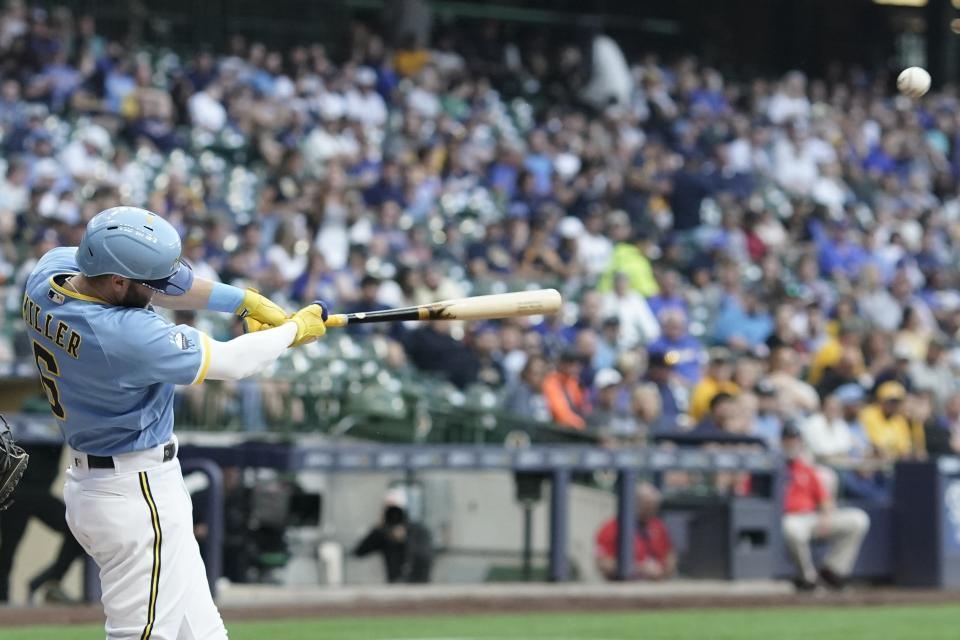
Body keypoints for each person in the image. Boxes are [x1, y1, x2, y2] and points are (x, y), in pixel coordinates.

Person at [21, 207, 329, 639]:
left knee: (201, 633)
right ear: (116, 282)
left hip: (109, 482)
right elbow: (234, 361)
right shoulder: (122, 335)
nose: (158, 292)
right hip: (134, 491)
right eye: (147, 285)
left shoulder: (49, 271)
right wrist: (291, 331)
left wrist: (242, 300)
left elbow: (160, 284)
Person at [781, 423, 870, 591]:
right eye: (788, 440)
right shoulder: (776, 466)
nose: (792, 444)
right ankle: (808, 578)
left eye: (795, 440)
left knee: (858, 519)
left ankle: (833, 572)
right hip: (790, 519)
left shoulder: (807, 469)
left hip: (813, 517)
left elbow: (824, 500)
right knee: (791, 528)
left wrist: (826, 516)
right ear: (782, 442)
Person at [594, 483, 676, 581]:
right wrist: (639, 569)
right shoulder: (611, 527)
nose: (651, 511)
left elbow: (670, 555)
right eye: (647, 506)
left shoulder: (658, 525)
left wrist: (663, 572)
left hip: (657, 586)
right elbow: (603, 564)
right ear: (635, 503)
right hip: (624, 588)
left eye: (654, 506)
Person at [353, 504, 433, 583]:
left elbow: (425, 557)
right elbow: (359, 551)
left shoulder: (418, 531)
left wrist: (405, 540)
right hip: (395, 584)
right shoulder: (384, 534)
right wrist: (376, 530)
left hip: (419, 584)